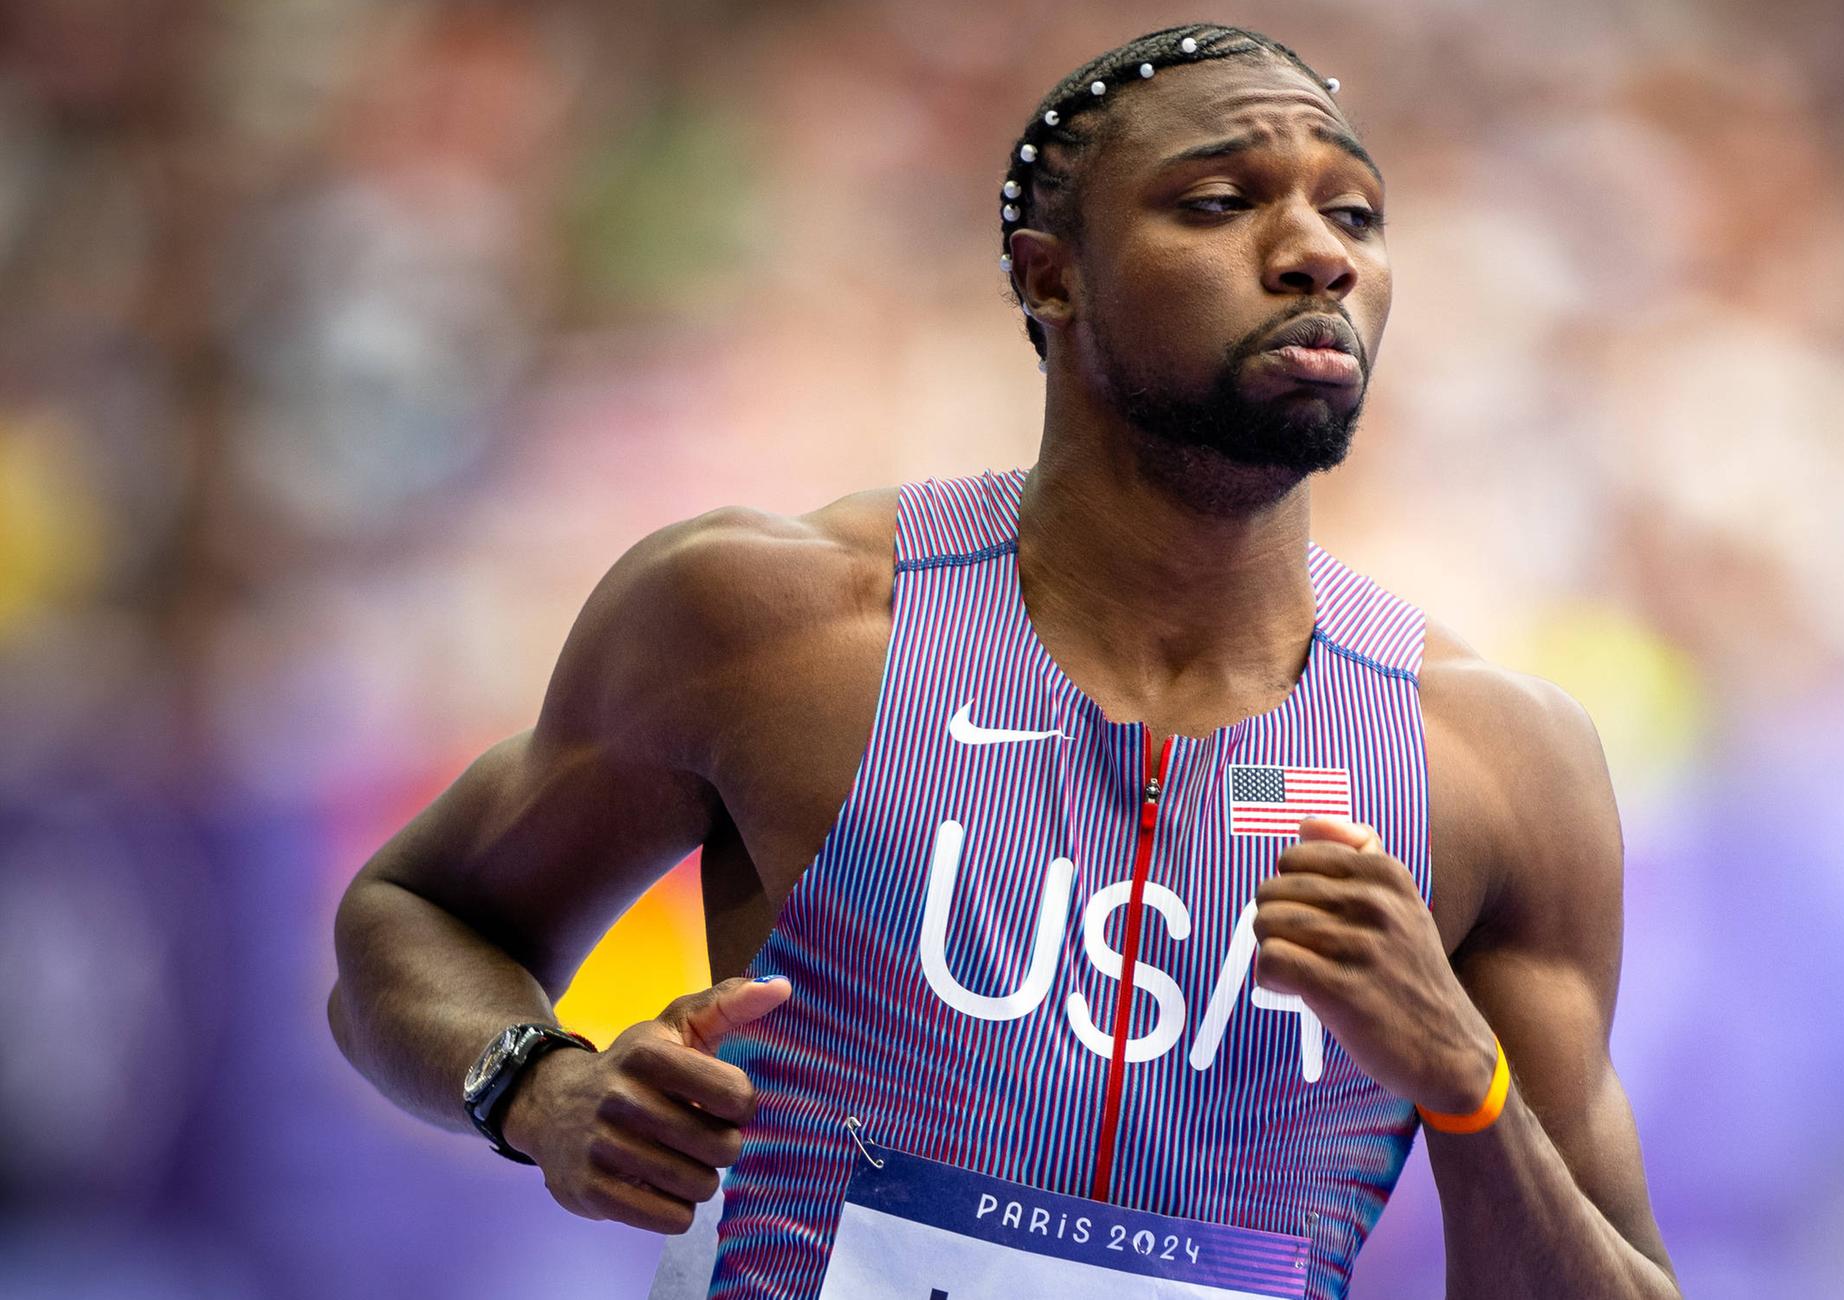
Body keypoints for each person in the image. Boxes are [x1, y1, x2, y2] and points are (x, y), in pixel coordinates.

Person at [328, 23, 1679, 1300]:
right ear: (1051, 278)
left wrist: (1465, 1085)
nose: (1318, 254)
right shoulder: (774, 625)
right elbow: (411, 916)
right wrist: (543, 1091)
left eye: (1357, 214)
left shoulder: (1499, 765)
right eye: (1219, 201)